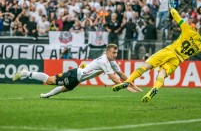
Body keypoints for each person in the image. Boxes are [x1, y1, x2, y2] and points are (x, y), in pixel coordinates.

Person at [112, 8, 201, 102]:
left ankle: (127, 82)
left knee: (145, 66)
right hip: (176, 60)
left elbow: (176, 16)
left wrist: (172, 7)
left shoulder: (188, 30)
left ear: (199, 28)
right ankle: (154, 89)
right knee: (161, 74)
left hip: (169, 51)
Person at [13, 44, 142, 98]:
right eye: (114, 52)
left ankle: (46, 95)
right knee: (49, 80)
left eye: (117, 52)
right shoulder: (104, 61)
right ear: (107, 52)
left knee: (66, 89)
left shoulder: (111, 61)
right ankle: (25, 73)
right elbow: (114, 78)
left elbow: (120, 74)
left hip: (78, 78)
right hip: (75, 74)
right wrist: (126, 87)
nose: (116, 54)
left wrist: (132, 83)